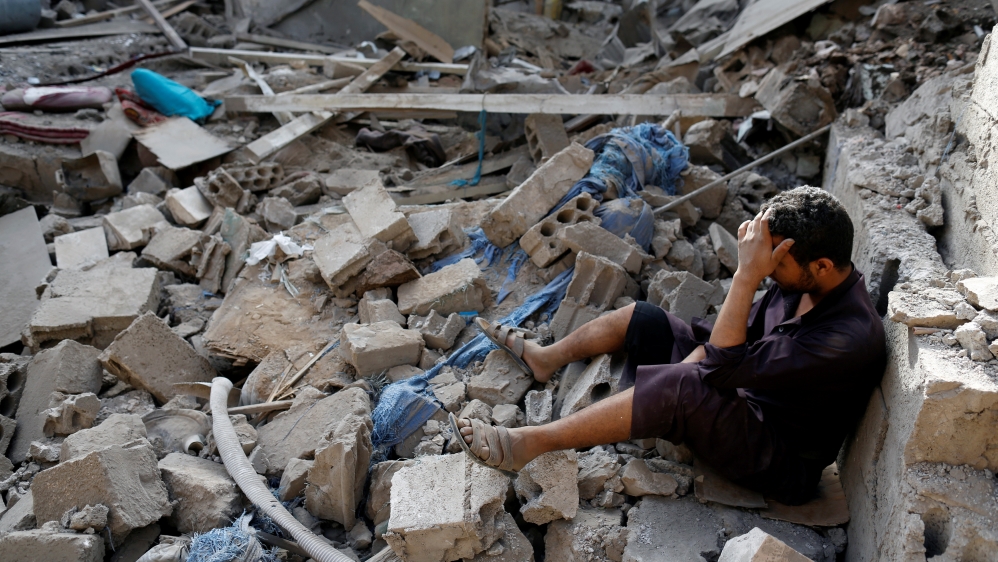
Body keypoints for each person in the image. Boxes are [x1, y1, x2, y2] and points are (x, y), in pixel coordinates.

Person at [454, 186, 887, 505]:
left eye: (776, 263)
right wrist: (693, 367)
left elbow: (722, 364)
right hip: (745, 385)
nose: (768, 269)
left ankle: (528, 444)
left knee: (680, 390)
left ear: (822, 266)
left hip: (775, 454)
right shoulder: (801, 281)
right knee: (644, 319)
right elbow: (732, 343)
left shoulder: (845, 339)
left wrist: (745, 277)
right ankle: (546, 359)